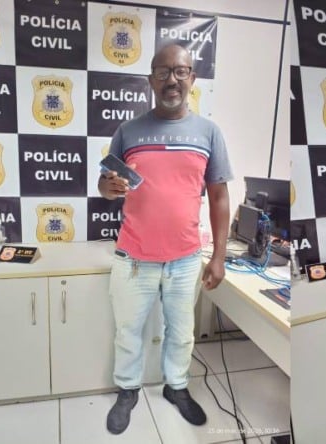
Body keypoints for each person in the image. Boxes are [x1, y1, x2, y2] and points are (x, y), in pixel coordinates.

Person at [99, 44, 232, 435]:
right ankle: (128, 390)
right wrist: (107, 187)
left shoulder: (209, 132)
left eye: (181, 71)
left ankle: (176, 386)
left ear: (192, 78)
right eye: (163, 72)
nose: (172, 80)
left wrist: (219, 256)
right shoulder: (128, 131)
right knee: (128, 332)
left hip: (185, 259)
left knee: (182, 333)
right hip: (133, 258)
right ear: (151, 80)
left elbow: (219, 197)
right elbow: (106, 186)